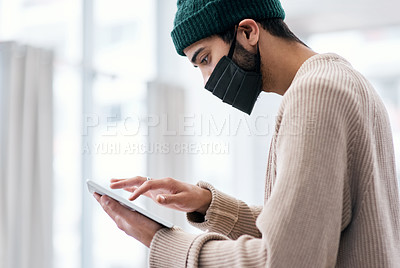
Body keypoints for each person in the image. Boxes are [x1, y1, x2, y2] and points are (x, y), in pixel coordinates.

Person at [93, 0, 400, 267]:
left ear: (249, 32)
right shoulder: (346, 80)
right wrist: (207, 203)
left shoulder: (315, 93)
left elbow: (284, 260)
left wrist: (160, 241)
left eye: (205, 58)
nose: (206, 80)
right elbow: (306, 233)